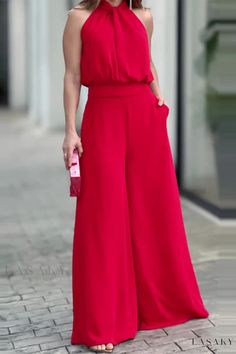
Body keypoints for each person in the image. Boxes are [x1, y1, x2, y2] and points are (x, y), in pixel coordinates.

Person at [62, 0, 209, 352]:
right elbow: (72, 75)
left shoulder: (144, 17)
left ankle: (161, 302)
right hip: (103, 117)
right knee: (103, 216)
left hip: (144, 117)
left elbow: (148, 64)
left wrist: (159, 100)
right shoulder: (77, 18)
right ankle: (104, 323)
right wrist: (70, 131)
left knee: (152, 210)